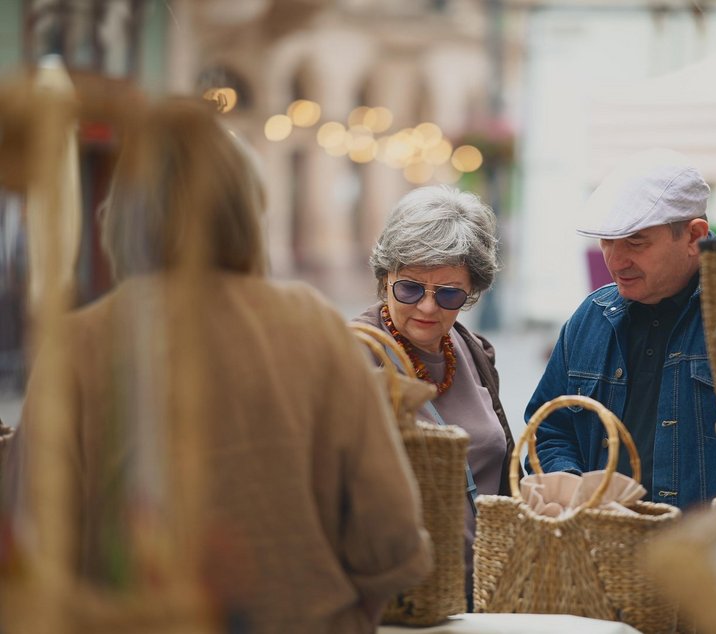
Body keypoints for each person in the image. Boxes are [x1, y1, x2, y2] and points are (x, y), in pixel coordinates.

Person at [0, 99, 430, 633]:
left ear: (120, 216)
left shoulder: (78, 344)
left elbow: (31, 538)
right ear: (248, 210)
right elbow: (389, 532)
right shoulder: (312, 324)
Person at [527, 154, 716, 510]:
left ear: (694, 236)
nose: (615, 261)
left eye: (635, 241)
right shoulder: (591, 317)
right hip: (600, 553)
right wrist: (573, 489)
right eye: (606, 241)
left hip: (712, 556)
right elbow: (549, 429)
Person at [354, 185, 515, 608]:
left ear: (472, 292)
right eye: (409, 289)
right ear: (385, 277)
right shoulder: (353, 355)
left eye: (448, 294)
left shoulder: (474, 350)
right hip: (397, 602)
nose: (427, 308)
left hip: (481, 597)